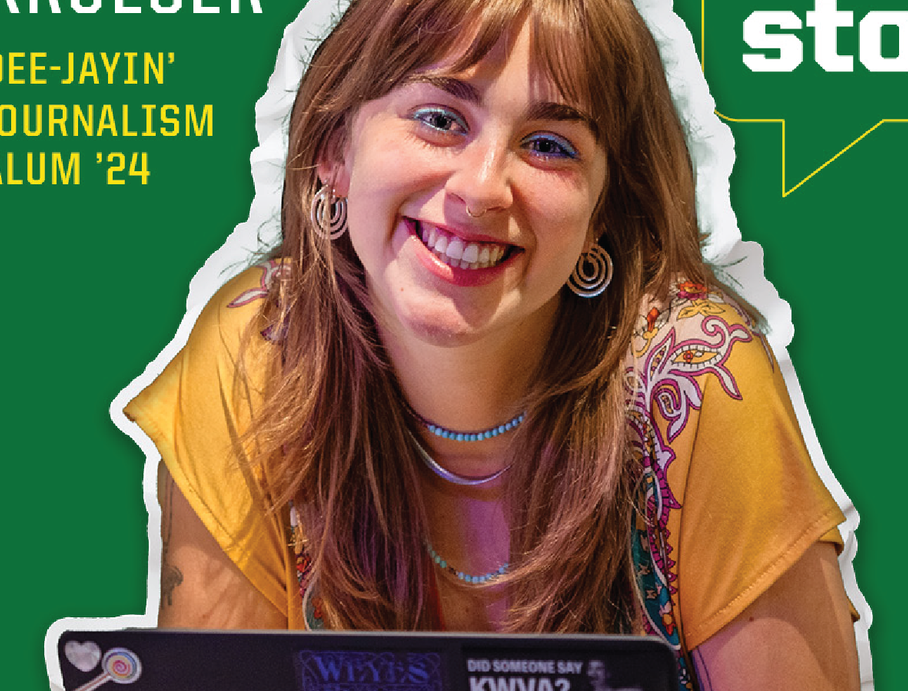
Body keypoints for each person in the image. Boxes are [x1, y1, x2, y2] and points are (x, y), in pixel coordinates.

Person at [126, 1, 860, 689]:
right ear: (333, 152)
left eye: (548, 146)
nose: (481, 190)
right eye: (440, 119)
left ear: (602, 215)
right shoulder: (254, 353)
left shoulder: (700, 380)